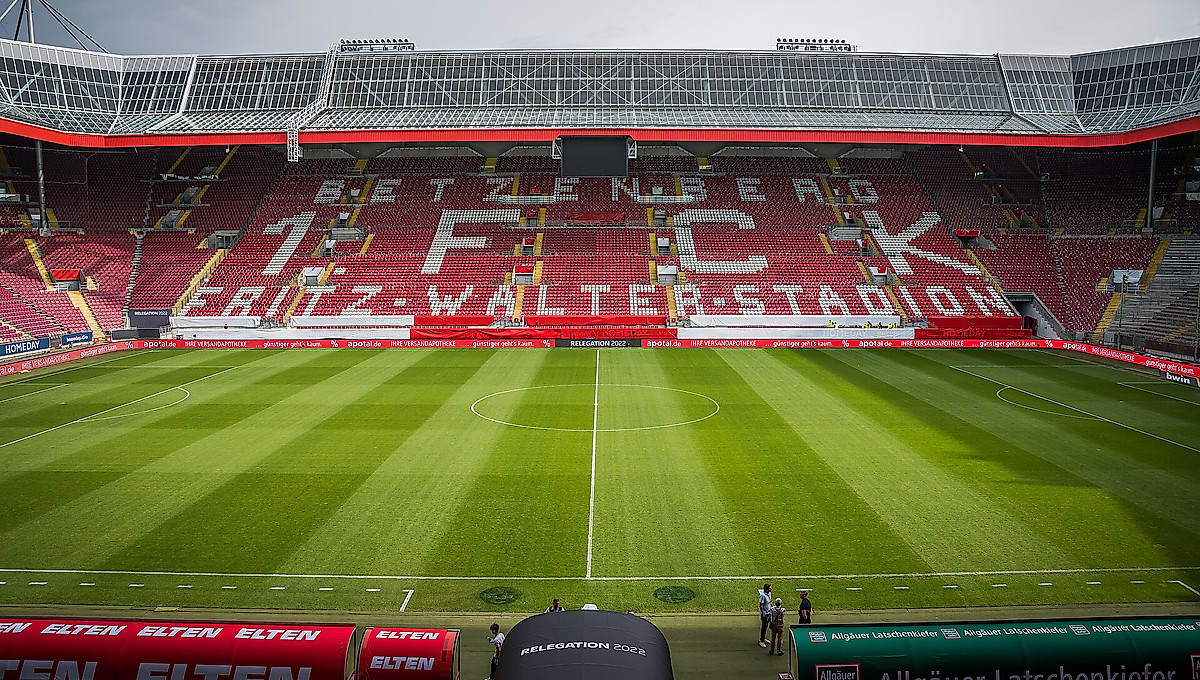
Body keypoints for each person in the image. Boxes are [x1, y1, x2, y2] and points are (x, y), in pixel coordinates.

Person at [757, 583, 772, 648]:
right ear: (766, 589)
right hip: (765, 614)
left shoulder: (769, 594)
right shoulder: (762, 596)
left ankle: (764, 638)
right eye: (770, 588)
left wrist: (772, 606)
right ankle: (761, 640)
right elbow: (761, 605)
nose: (771, 589)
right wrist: (763, 613)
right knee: (764, 626)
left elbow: (770, 601)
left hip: (769, 612)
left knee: (767, 625)